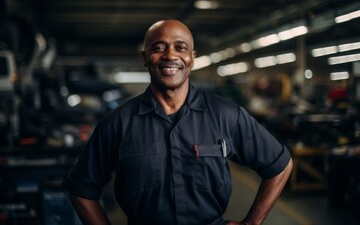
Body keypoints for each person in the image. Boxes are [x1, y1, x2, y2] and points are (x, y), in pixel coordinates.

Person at [64, 19, 293, 225]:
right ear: (145, 58)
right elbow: (82, 189)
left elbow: (279, 165)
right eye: (159, 47)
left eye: (180, 47)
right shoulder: (117, 124)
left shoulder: (226, 115)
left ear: (192, 58)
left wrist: (251, 223)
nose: (170, 55)